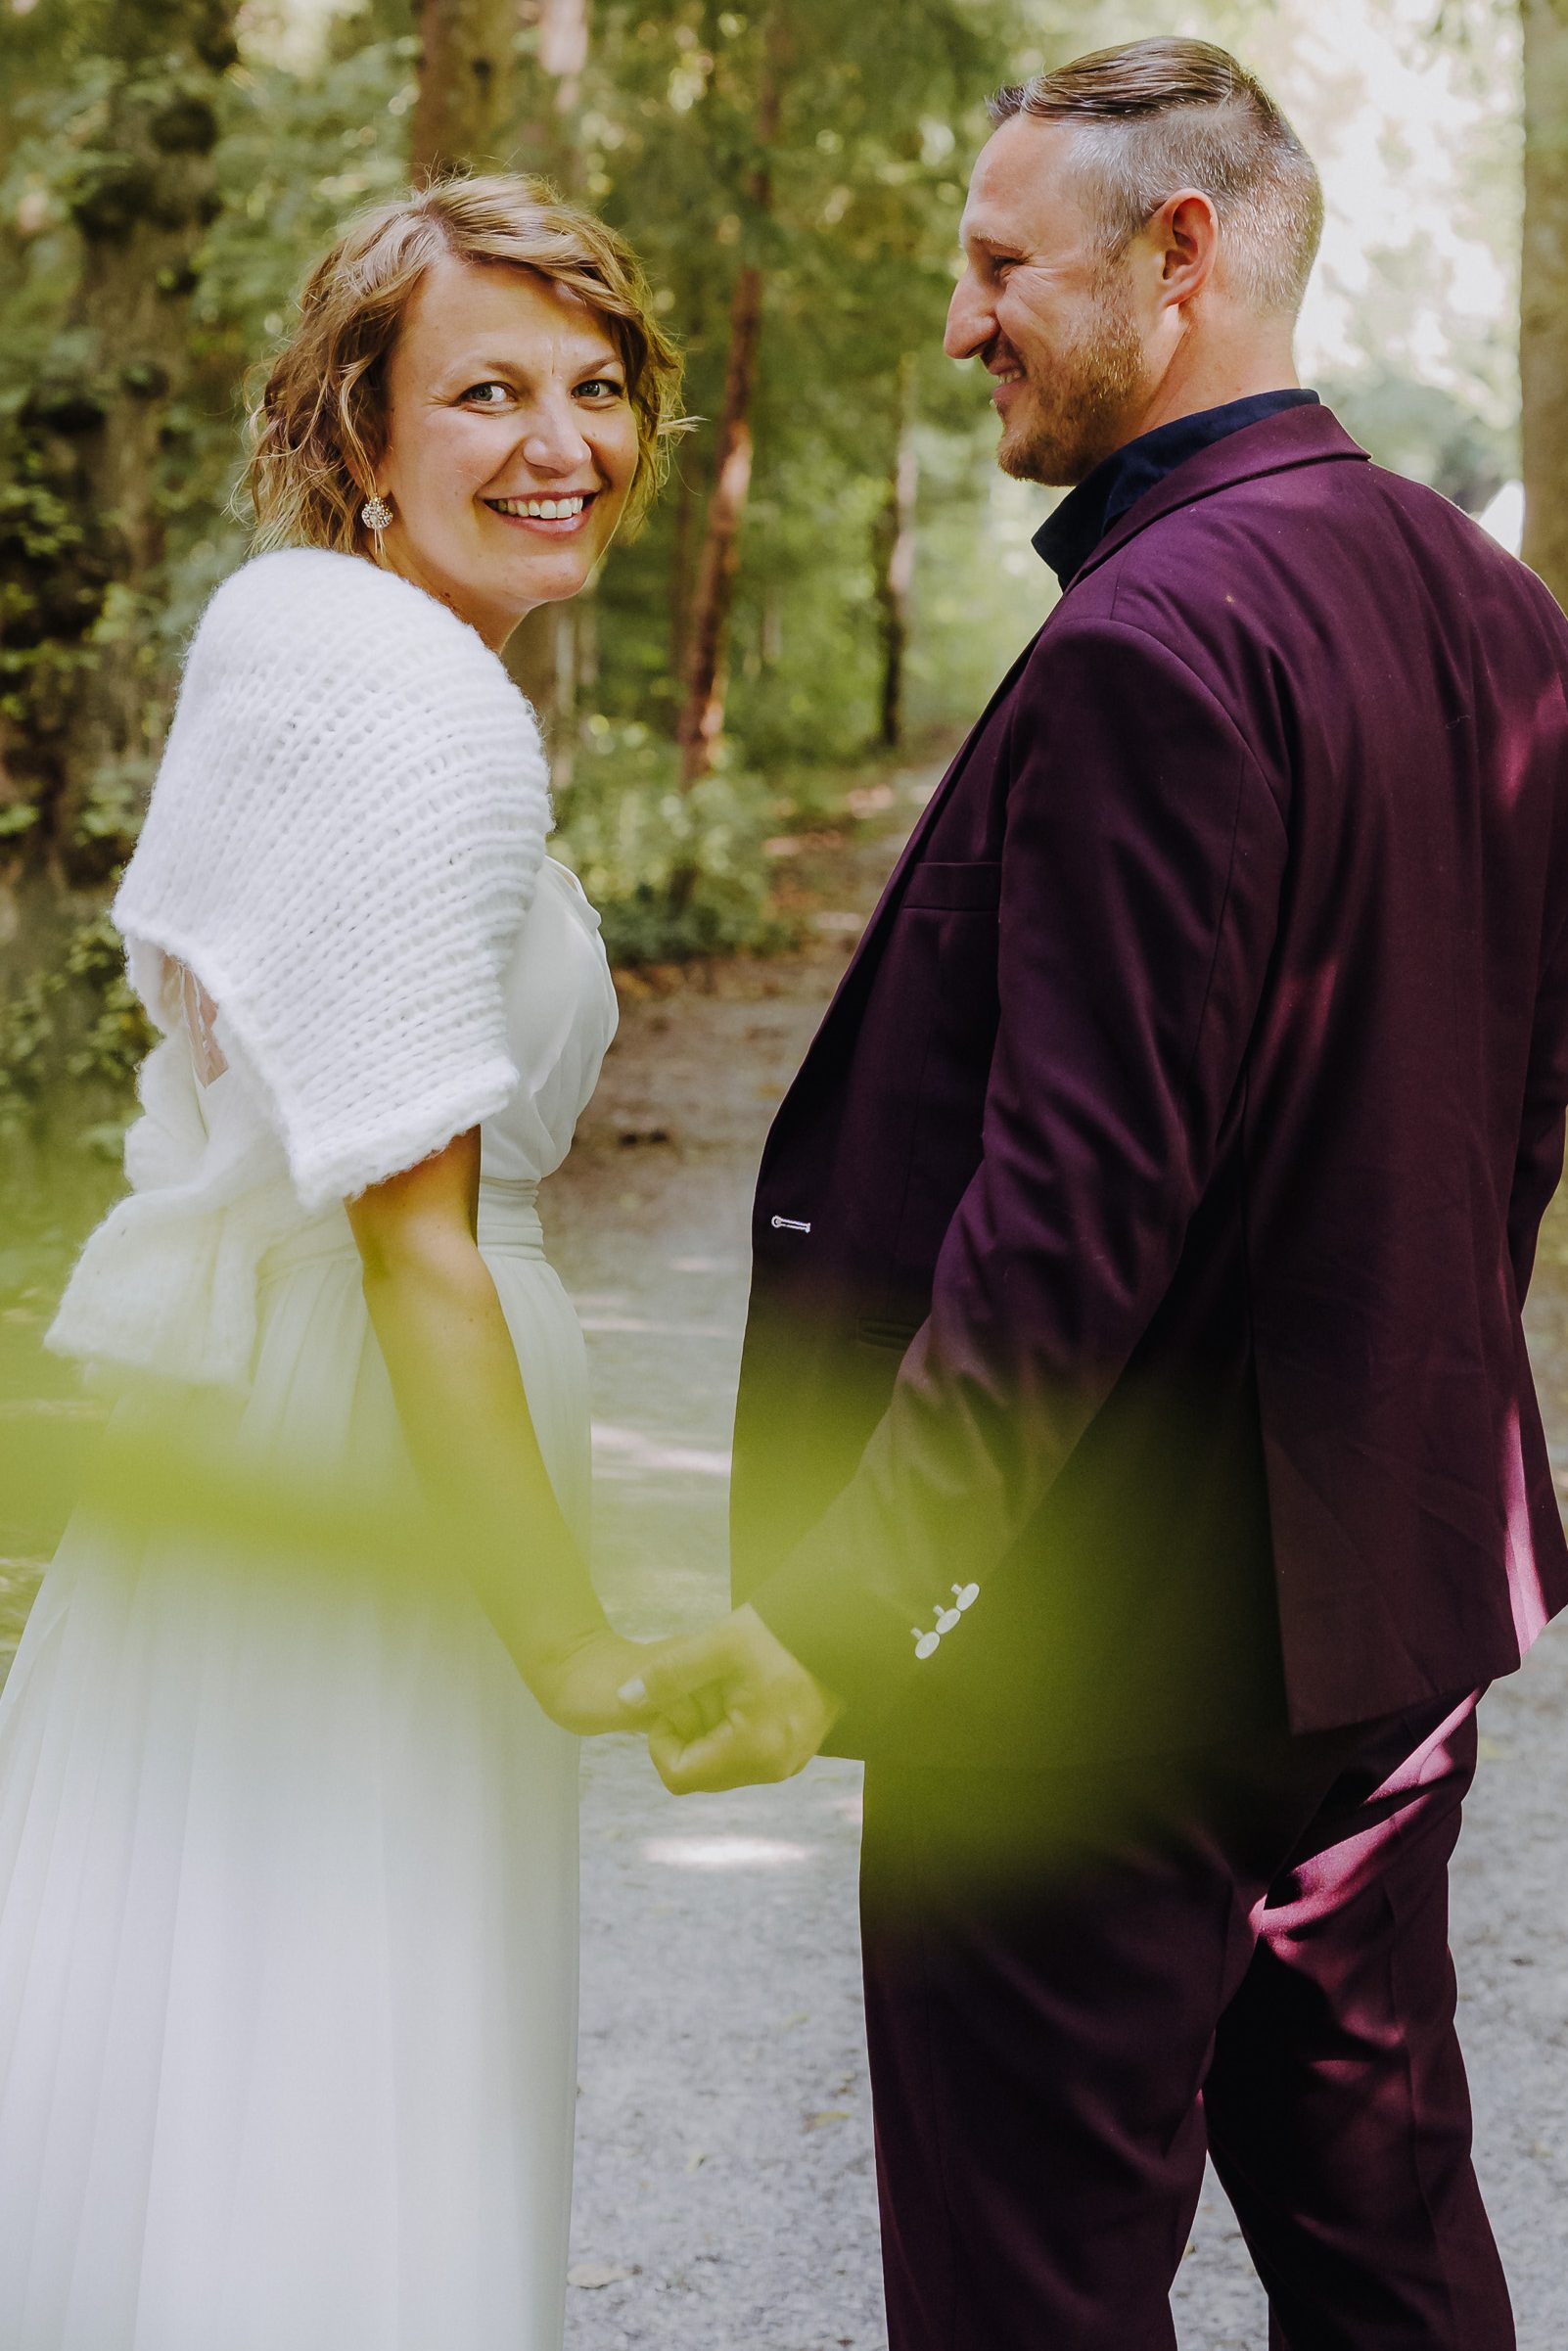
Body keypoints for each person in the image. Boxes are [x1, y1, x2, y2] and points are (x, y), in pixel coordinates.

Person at [628, 37, 1568, 2349]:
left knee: (1023, 2294)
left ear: (1181, 257)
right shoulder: (1494, 610)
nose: (963, 323)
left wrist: (845, 1615)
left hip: (1089, 1673)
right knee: (1387, 2255)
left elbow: (1067, 1223)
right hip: (1379, 1618)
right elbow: (1511, 1121)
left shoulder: (1153, 637)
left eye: (998, 267)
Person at [0, 176, 679, 2349]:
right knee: (348, 2045)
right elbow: (418, 1248)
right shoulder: (417, 711)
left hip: (276, 1420)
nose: (561, 443)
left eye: (596, 386)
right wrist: (566, 1641)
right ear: (358, 433)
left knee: (229, 2010)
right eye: (485, 393)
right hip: (387, 1447)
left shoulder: (310, 650)